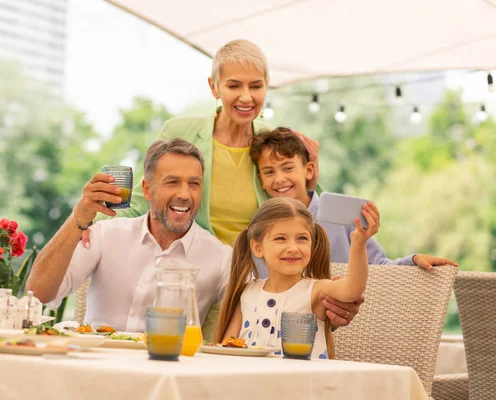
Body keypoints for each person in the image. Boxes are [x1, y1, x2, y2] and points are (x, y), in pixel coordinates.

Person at [81, 39, 358, 330]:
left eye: (255, 86)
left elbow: (298, 215)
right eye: (234, 85)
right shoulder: (180, 131)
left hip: (252, 282)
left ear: (267, 86)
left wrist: (310, 185)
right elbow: (145, 197)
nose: (246, 97)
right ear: (215, 87)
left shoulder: (273, 141)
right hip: (193, 272)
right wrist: (92, 227)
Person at [26, 138, 232, 333]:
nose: (185, 195)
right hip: (97, 365)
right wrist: (78, 218)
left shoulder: (220, 258)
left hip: (168, 368)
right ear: (147, 190)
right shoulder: (107, 235)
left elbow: (251, 310)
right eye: (172, 182)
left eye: (194, 184)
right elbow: (39, 293)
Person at [249, 127, 458, 276]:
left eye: (288, 168)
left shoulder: (341, 216)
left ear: (309, 170)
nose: (279, 179)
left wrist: (413, 261)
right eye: (269, 172)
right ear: (261, 181)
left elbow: (377, 266)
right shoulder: (261, 228)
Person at [215, 197, 379, 359]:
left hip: (305, 384)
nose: (293, 248)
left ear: (312, 246)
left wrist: (358, 243)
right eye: (280, 238)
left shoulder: (316, 290)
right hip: (251, 383)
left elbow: (353, 289)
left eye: (302, 238)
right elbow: (227, 350)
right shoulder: (247, 292)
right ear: (257, 248)